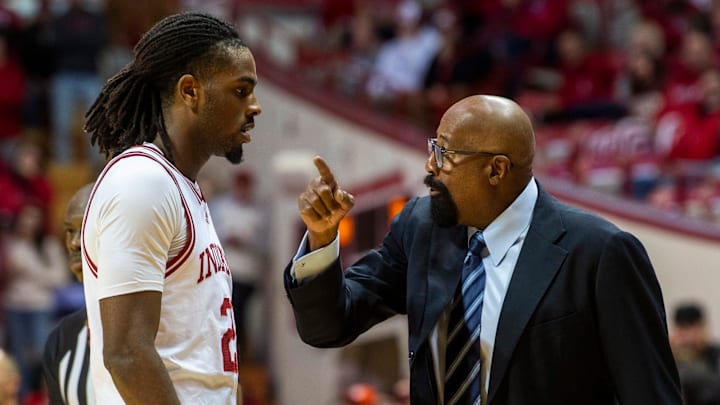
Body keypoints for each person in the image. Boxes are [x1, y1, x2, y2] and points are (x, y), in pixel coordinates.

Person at [284, 94, 681, 404]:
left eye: (444, 154)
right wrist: (321, 239)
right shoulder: (421, 227)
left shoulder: (600, 253)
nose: (429, 167)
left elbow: (649, 394)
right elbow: (330, 326)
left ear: (496, 170)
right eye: (432, 148)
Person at [80, 12, 261, 404]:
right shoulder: (142, 182)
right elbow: (126, 354)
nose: (255, 106)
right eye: (241, 90)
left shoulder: (181, 186)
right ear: (190, 91)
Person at [42, 182, 94, 405]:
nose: (74, 243)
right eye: (69, 231)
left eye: (86, 228)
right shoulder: (62, 340)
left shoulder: (162, 327)